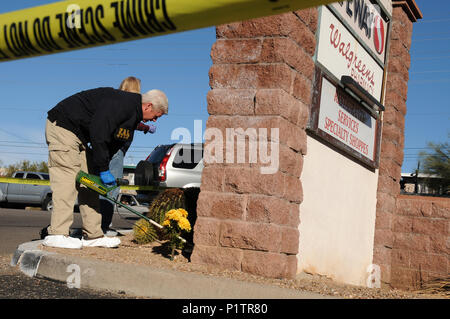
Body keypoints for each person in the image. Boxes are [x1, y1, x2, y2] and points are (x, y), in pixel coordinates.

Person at [42, 87, 168, 249]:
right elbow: (99, 133)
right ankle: (57, 234)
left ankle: (93, 235)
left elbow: (112, 142)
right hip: (63, 128)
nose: (154, 120)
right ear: (148, 106)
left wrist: (101, 167)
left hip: (79, 136)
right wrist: (103, 168)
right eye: (157, 116)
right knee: (67, 181)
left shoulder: (132, 115)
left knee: (89, 183)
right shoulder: (122, 104)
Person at [100, 77, 156, 236]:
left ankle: (97, 225)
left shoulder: (113, 102)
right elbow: (133, 122)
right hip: (116, 150)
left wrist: (145, 127)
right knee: (111, 188)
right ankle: (103, 227)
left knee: (102, 188)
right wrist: (146, 127)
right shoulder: (130, 106)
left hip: (106, 149)